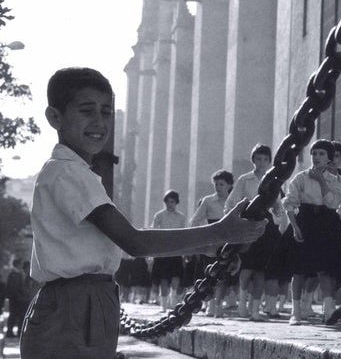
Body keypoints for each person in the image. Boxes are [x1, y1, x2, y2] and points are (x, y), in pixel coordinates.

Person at [19, 67, 267, 359]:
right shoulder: (68, 173)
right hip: (75, 307)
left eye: (106, 111)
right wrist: (219, 231)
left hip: (82, 303)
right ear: (55, 117)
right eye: (87, 111)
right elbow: (134, 242)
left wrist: (208, 246)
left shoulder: (72, 172)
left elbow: (112, 242)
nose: (99, 122)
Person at [284, 140, 341, 326]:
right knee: (299, 270)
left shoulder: (339, 181)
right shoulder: (301, 178)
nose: (317, 157)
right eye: (314, 153)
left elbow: (333, 204)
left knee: (325, 269)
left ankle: (328, 311)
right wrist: (295, 226)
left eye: (321, 154)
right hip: (305, 221)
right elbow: (290, 202)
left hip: (327, 224)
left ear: (329, 158)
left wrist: (321, 181)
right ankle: (296, 312)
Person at [224, 144, 284, 321]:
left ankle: (255, 309)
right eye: (258, 158)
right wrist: (235, 221)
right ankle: (243, 303)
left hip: (266, 225)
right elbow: (231, 202)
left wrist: (277, 218)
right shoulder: (245, 180)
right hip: (248, 222)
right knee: (247, 267)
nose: (262, 162)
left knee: (261, 270)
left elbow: (279, 206)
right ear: (253, 160)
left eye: (265, 159)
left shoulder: (274, 181)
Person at [188, 169, 236, 317]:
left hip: (227, 241)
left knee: (224, 274)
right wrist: (200, 238)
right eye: (216, 184)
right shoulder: (208, 200)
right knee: (209, 273)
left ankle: (218, 305)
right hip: (211, 241)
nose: (218, 187)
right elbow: (195, 220)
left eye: (221, 184)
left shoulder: (234, 201)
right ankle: (209, 305)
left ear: (229, 185)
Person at [150, 190, 187, 312]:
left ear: (176, 202)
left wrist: (184, 251)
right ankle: (164, 305)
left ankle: (173, 297)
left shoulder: (181, 217)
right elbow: (154, 231)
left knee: (176, 276)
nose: (169, 204)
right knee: (163, 278)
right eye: (167, 202)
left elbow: (183, 234)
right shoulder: (159, 215)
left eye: (172, 202)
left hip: (176, 250)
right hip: (163, 250)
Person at [4, 259, 25, 338]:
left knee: (14, 315)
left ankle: (11, 332)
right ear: (17, 265)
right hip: (16, 299)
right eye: (20, 264)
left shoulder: (14, 274)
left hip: (15, 298)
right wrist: (20, 296)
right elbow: (15, 288)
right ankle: (11, 332)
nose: (21, 266)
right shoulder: (15, 274)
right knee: (16, 315)